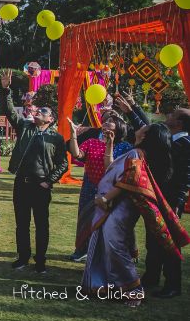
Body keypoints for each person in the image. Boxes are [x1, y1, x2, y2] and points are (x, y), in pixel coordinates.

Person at [80, 123, 189, 306]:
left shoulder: (137, 155)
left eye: (143, 128)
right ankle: (110, 286)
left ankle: (134, 291)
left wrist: (106, 198)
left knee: (115, 245)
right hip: (113, 206)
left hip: (120, 207)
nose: (138, 128)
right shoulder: (134, 152)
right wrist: (109, 145)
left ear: (145, 136)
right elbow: (111, 169)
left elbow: (130, 179)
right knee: (107, 244)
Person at [115, 93, 190, 298]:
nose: (169, 114)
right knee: (152, 240)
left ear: (180, 123)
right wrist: (133, 108)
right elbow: (150, 129)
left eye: (174, 114)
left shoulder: (185, 144)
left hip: (170, 202)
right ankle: (151, 276)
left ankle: (173, 285)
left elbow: (186, 178)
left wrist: (179, 202)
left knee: (168, 243)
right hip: (155, 196)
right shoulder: (170, 137)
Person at [0, 71, 67, 273]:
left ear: (51, 118)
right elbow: (10, 111)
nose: (37, 111)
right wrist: (6, 91)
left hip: (40, 185)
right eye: (37, 110)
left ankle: (40, 261)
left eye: (43, 111)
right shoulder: (25, 127)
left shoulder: (56, 138)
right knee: (22, 224)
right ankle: (23, 258)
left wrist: (49, 181)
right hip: (22, 182)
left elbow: (62, 164)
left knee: (41, 225)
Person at [67, 114, 131, 261]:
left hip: (112, 188)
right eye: (106, 121)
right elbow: (77, 154)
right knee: (85, 217)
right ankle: (81, 249)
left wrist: (110, 143)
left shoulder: (125, 147)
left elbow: (112, 168)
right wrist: (73, 133)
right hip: (89, 185)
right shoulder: (92, 142)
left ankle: (105, 251)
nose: (106, 123)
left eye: (111, 122)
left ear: (119, 127)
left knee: (108, 220)